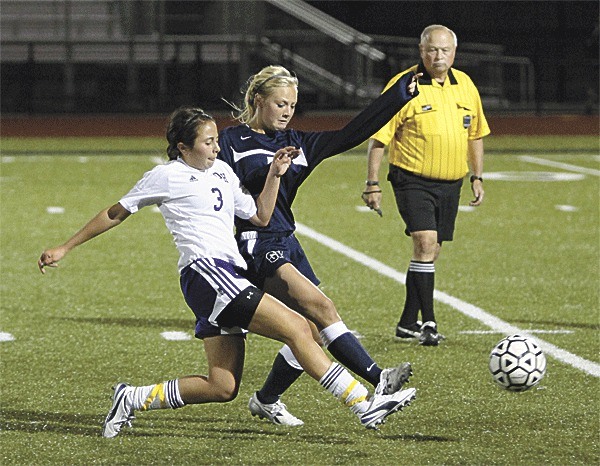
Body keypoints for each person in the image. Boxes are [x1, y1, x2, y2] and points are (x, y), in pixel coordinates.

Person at [37, 107, 417, 438]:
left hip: (225, 275)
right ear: (183, 147)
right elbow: (114, 213)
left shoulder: (221, 171)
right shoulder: (165, 176)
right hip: (206, 273)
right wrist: (65, 247)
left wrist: (274, 174)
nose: (216, 148)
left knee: (222, 386)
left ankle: (131, 397)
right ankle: (363, 403)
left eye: (216, 140)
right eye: (206, 142)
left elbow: (260, 216)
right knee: (302, 328)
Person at [218, 65, 420, 426]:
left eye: (292, 106)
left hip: (287, 240)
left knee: (312, 330)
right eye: (280, 103)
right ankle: (379, 380)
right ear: (257, 100)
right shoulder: (231, 141)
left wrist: (398, 96)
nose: (286, 111)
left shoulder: (299, 144)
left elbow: (353, 131)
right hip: (255, 242)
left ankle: (266, 400)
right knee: (322, 306)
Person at [362, 25, 491, 346]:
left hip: (451, 183)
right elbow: (379, 137)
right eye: (432, 50)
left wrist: (477, 176)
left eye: (445, 50)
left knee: (430, 252)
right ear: (421, 51)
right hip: (411, 179)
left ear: (454, 53)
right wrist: (372, 182)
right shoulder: (405, 85)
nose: (438, 56)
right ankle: (428, 322)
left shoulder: (466, 86)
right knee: (424, 242)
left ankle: (407, 323)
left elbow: (475, 134)